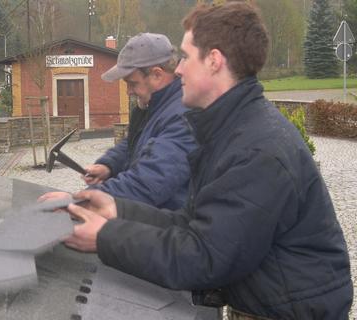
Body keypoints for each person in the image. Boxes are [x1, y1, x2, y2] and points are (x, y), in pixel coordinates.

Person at [56, 2, 353, 319]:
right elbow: (195, 224)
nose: (178, 68)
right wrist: (117, 209)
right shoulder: (232, 127)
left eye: (185, 56)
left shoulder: (257, 149)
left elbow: (204, 256)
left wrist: (105, 238)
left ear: (214, 61)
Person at [83, 33, 196, 210]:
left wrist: (84, 199)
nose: (128, 91)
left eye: (132, 83)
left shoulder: (183, 114)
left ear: (157, 75)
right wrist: (108, 165)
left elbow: (151, 181)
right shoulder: (152, 106)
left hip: (167, 224)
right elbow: (133, 143)